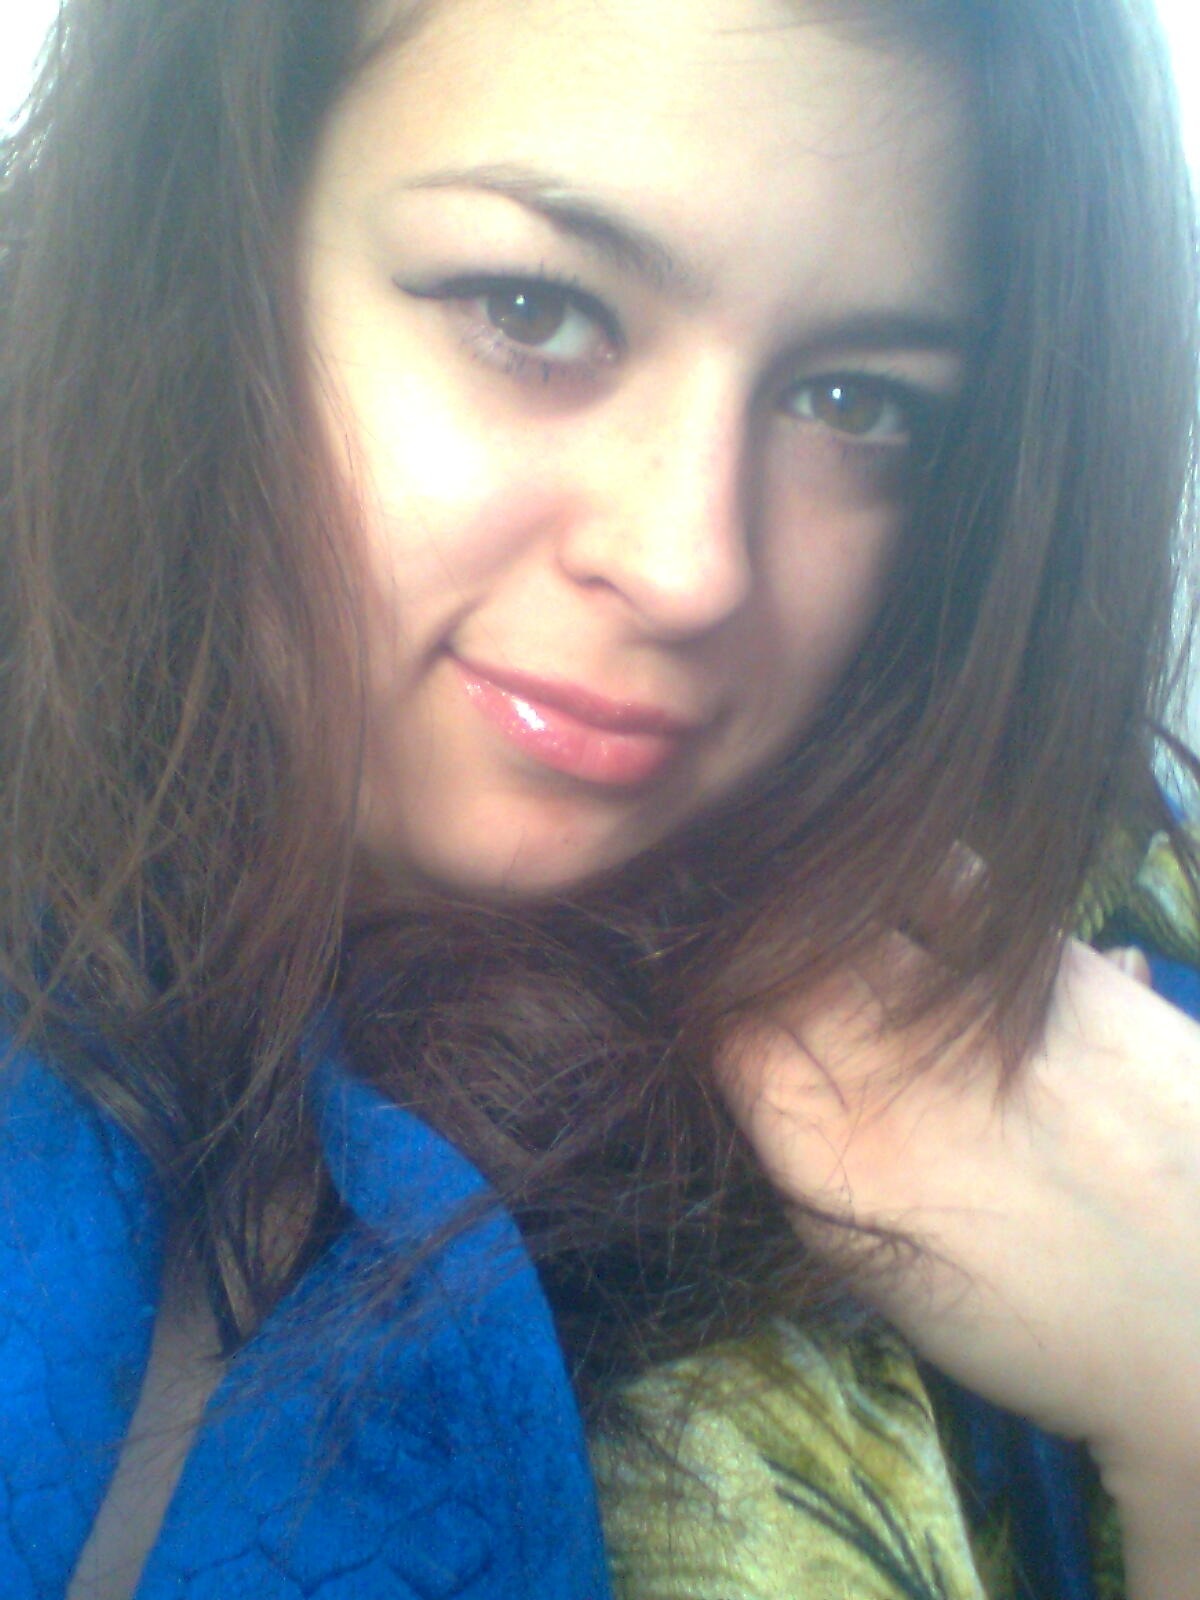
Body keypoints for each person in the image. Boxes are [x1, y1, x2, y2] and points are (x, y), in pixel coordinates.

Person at [0, 0, 1196, 1596]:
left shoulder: (1120, 1042)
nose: (692, 566)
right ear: (209, 252)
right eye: (533, 310)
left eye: (854, 403)